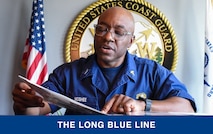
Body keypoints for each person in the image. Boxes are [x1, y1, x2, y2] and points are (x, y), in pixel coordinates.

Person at [12, 6, 196, 115]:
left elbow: (186, 108)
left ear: (131, 41)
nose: (108, 37)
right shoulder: (68, 74)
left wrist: (142, 105)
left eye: (118, 32)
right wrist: (25, 103)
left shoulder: (151, 71)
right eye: (102, 29)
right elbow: (36, 111)